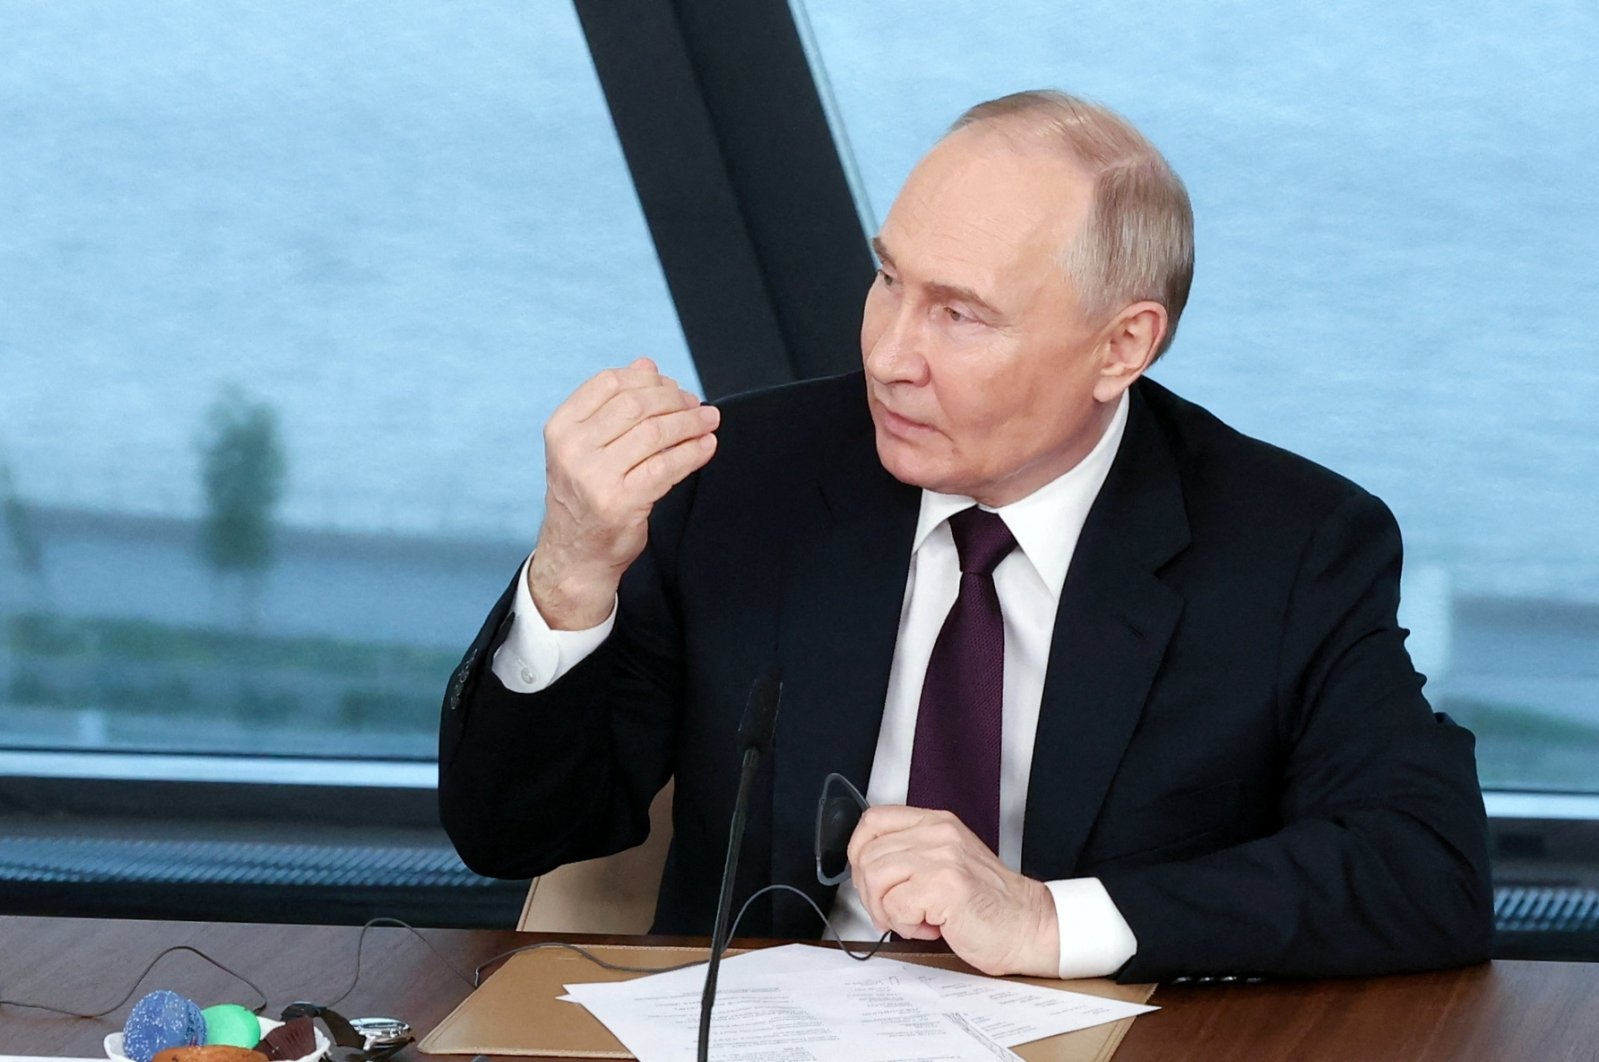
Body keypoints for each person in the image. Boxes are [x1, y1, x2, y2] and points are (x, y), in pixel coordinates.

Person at [438, 90, 1493, 983]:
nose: (890, 355)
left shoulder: (1290, 544)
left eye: (960, 315)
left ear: (1122, 345)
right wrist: (570, 578)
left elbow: (1426, 869)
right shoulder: (740, 481)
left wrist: (1046, 918)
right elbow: (518, 836)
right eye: (889, 279)